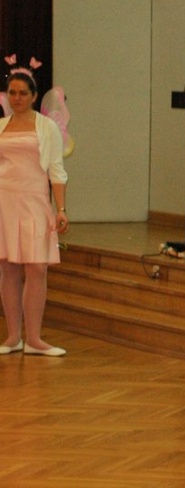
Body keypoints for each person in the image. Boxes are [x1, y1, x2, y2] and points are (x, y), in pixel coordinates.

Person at [0, 58, 69, 357]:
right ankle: (13, 337)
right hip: (5, 201)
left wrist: (61, 209)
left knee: (37, 267)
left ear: (34, 96)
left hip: (35, 202)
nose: (17, 98)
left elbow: (56, 170)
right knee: (8, 267)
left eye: (22, 93)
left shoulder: (47, 126)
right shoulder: (0, 126)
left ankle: (35, 339)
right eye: (12, 93)